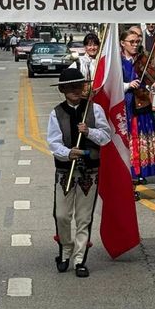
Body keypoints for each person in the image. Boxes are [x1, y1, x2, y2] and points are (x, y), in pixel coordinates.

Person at [47, 68, 111, 278]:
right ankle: (66, 248)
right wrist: (68, 153)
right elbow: (53, 142)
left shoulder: (95, 109)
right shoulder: (56, 113)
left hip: (88, 172)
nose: (75, 90)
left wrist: (89, 131)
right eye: (70, 87)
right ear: (63, 90)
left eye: (79, 86)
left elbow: (106, 136)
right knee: (62, 215)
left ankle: (79, 258)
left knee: (84, 218)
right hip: (65, 171)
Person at [120, 29, 155, 200]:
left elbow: (150, 81)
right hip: (124, 108)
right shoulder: (117, 61)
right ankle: (127, 183)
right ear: (122, 43)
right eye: (131, 42)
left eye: (137, 42)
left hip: (141, 107)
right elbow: (111, 83)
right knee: (127, 147)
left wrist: (154, 87)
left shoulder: (143, 60)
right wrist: (127, 85)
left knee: (138, 147)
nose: (135, 45)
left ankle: (134, 181)